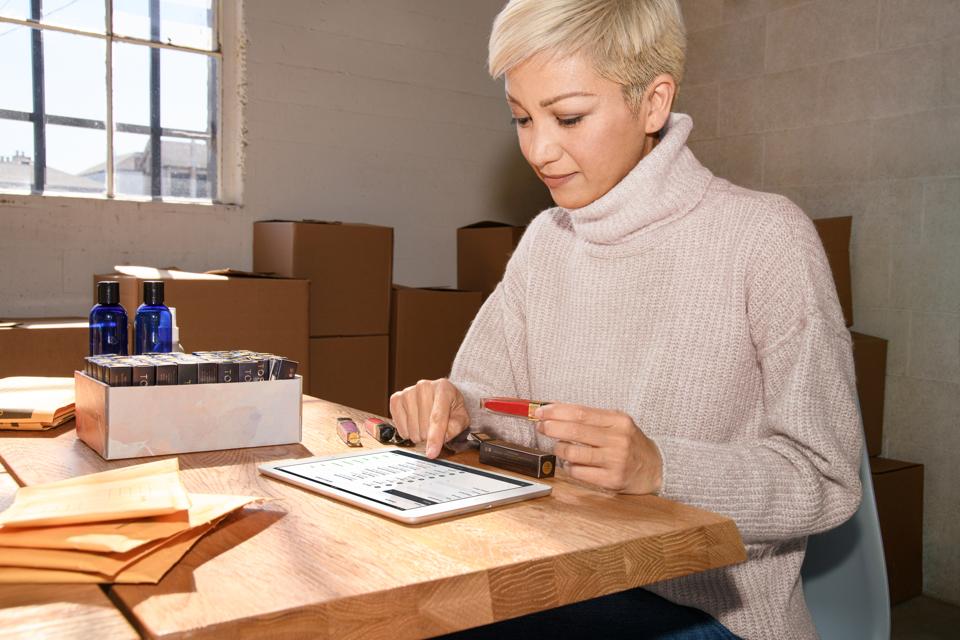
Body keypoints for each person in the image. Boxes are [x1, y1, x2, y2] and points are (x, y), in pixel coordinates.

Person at [390, 1, 863, 638]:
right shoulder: (546, 241)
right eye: (522, 119)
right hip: (564, 577)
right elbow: (490, 407)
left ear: (653, 102)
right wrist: (452, 408)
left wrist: (661, 467)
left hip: (714, 614)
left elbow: (825, 477)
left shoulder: (766, 238)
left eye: (569, 117)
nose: (540, 149)